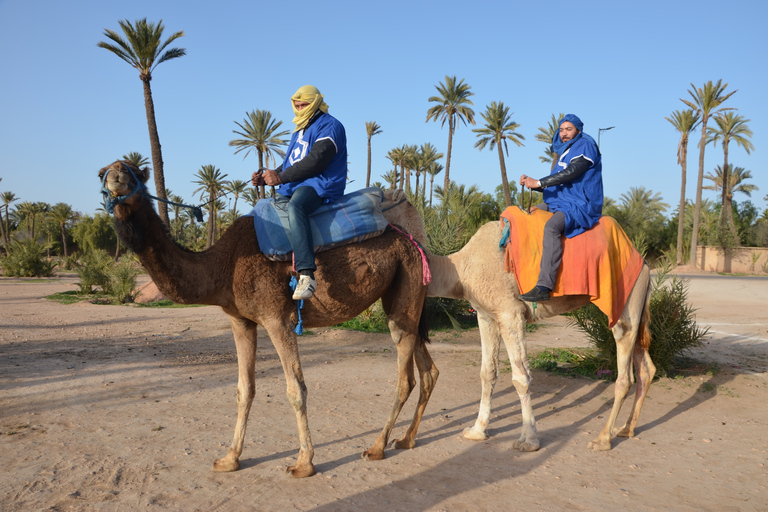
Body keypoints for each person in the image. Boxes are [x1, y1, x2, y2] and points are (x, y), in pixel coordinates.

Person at [252, 85, 348, 300]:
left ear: (315, 103)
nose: (300, 108)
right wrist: (269, 176)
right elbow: (291, 163)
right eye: (297, 105)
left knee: (297, 207)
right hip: (296, 183)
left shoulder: (330, 125)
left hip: (319, 182)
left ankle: (306, 273)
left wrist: (282, 177)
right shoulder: (300, 129)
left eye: (304, 104)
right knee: (262, 209)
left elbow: (317, 160)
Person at [518, 114, 603, 302]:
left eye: (569, 129)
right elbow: (558, 181)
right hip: (561, 200)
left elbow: (571, 172)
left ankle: (544, 286)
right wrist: (534, 184)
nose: (564, 133)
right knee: (529, 215)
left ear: (578, 131)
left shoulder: (586, 145)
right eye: (562, 129)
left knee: (551, 227)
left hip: (580, 203)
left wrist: (539, 181)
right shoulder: (566, 150)